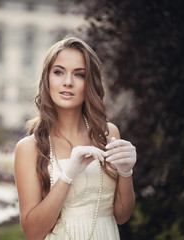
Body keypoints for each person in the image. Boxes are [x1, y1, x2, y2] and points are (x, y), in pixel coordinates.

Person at [14, 36, 136, 240]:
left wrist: (126, 171)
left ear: (89, 82)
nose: (67, 82)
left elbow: (122, 216)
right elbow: (32, 234)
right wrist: (68, 175)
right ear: (47, 78)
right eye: (59, 72)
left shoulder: (108, 134)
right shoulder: (30, 148)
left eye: (79, 75)